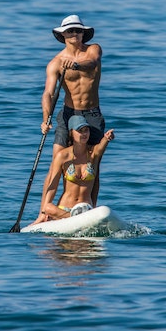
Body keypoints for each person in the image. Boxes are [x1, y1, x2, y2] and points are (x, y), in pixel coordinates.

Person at [37, 14, 105, 219]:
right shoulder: (55, 63)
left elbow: (92, 63)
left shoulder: (93, 49)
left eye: (78, 30)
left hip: (92, 115)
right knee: (56, 162)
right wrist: (45, 117)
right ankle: (44, 213)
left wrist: (75, 66)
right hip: (68, 115)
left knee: (93, 162)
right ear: (63, 35)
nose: (75, 34)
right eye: (70, 31)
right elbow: (48, 93)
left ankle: (90, 206)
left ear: (84, 33)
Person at [32, 116, 114, 224]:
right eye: (80, 131)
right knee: (48, 208)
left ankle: (77, 219)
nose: (84, 134)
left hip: (87, 210)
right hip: (65, 210)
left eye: (86, 130)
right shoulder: (62, 156)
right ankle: (71, 218)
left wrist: (107, 138)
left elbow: (101, 146)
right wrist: (45, 211)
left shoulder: (93, 154)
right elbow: (53, 186)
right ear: (71, 133)